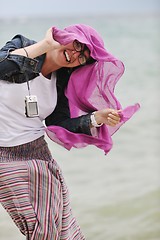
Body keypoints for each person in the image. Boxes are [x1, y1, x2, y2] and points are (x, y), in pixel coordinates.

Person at [0, 24, 140, 240]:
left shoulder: (61, 81)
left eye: (83, 57)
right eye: (76, 45)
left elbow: (60, 123)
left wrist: (96, 118)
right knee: (40, 231)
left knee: (61, 227)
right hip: (6, 161)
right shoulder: (23, 46)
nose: (75, 55)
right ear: (66, 36)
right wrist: (46, 45)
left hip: (40, 157)